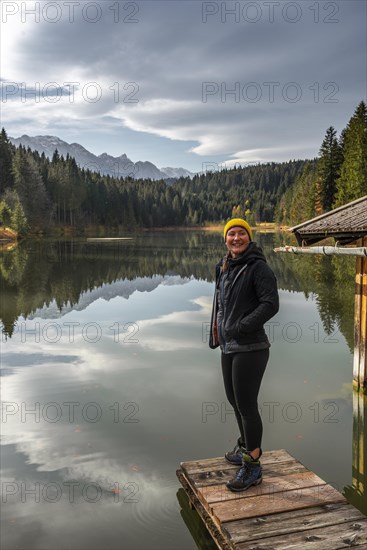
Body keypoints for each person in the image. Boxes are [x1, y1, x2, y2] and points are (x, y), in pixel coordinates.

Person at [209, 218, 279, 492]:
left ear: (249, 238)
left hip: (251, 347)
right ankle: (245, 446)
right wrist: (219, 333)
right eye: (231, 234)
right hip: (229, 346)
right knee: (233, 400)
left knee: (247, 406)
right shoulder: (224, 266)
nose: (235, 238)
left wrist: (241, 326)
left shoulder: (258, 267)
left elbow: (270, 304)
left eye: (241, 234)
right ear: (225, 239)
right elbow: (221, 305)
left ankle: (253, 465)